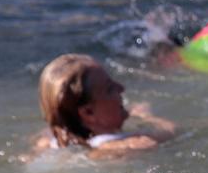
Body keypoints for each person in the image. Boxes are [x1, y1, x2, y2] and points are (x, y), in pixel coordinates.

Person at [34, 54, 178, 158]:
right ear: (88, 112)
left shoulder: (47, 142)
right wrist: (147, 117)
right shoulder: (129, 145)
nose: (121, 88)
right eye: (110, 89)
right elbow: (172, 131)